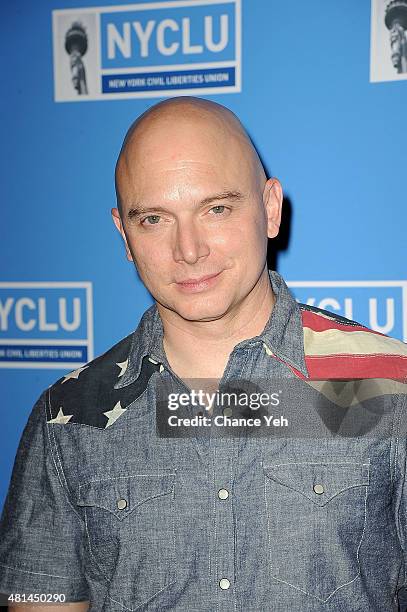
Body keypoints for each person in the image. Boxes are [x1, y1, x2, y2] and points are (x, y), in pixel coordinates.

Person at [1, 96, 407, 612]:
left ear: (270, 208)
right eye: (153, 219)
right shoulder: (70, 415)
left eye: (216, 208)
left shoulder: (390, 386)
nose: (188, 249)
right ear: (124, 234)